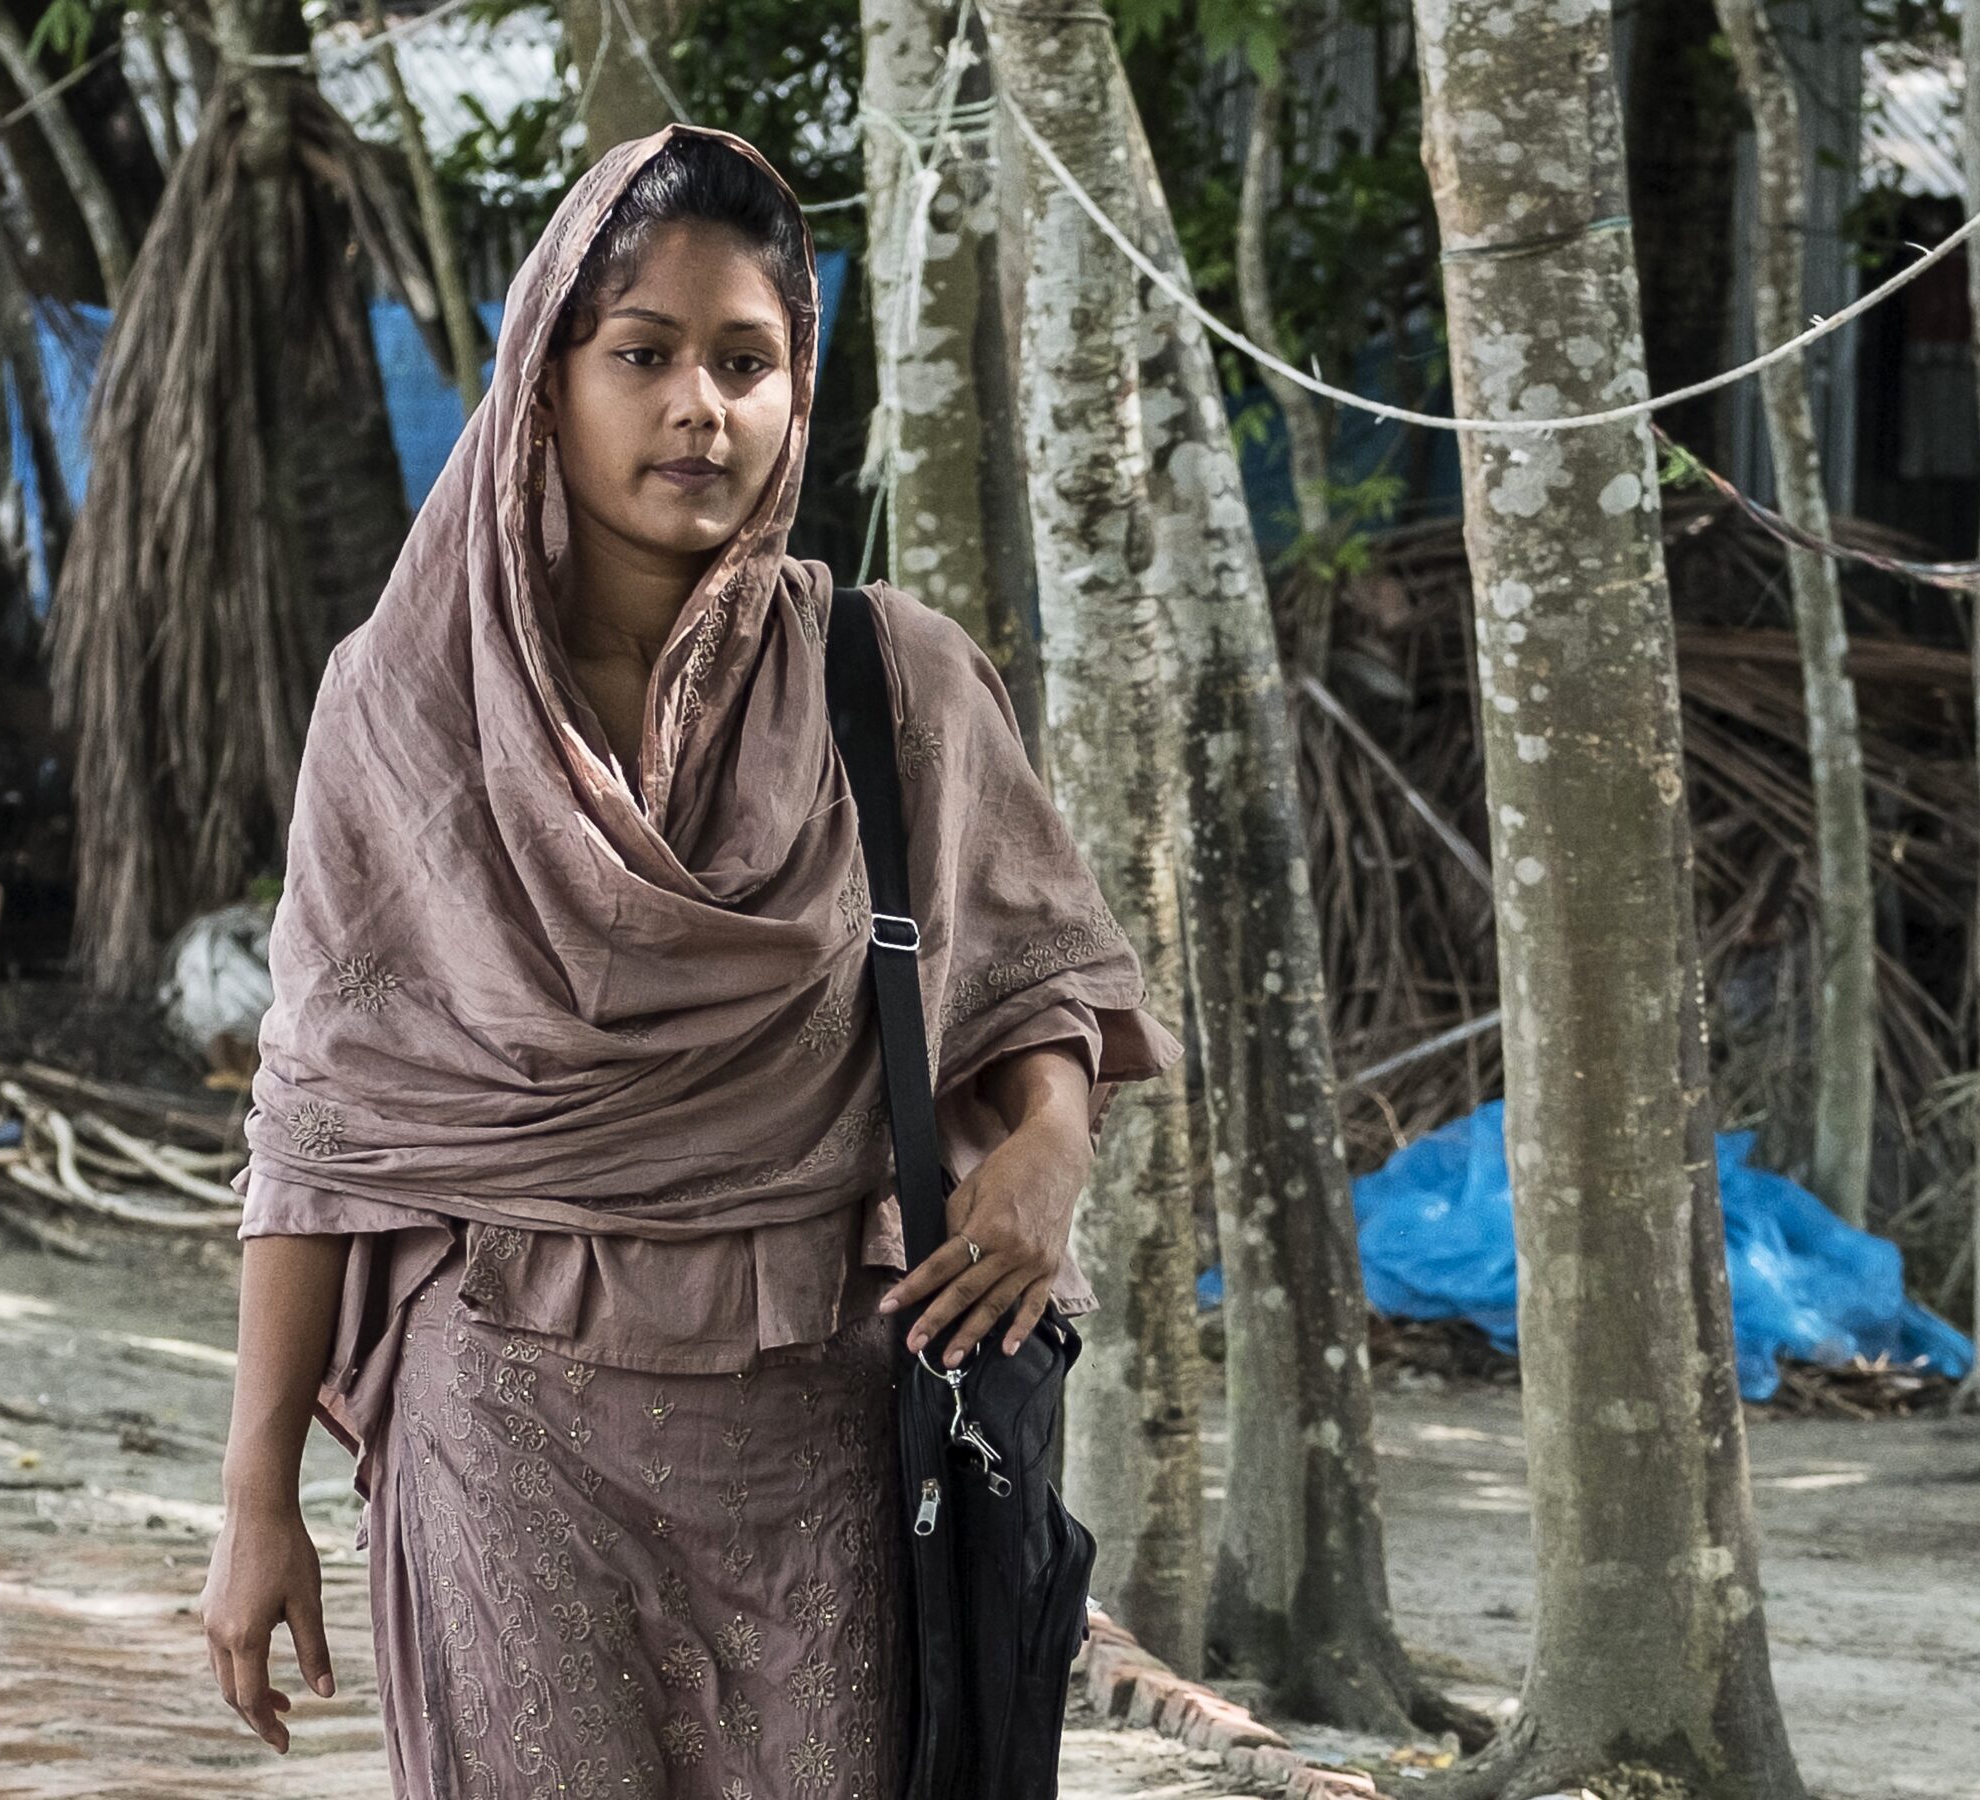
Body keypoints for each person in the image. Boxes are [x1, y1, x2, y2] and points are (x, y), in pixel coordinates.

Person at [200, 123, 1183, 1800]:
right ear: (544, 379)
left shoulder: (894, 682)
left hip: (831, 1425)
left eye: (750, 361)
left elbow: (1033, 988)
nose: (698, 409)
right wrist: (254, 1505)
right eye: (643, 354)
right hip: (503, 1414)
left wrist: (1046, 1158)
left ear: (803, 390)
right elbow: (325, 1132)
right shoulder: (404, 708)